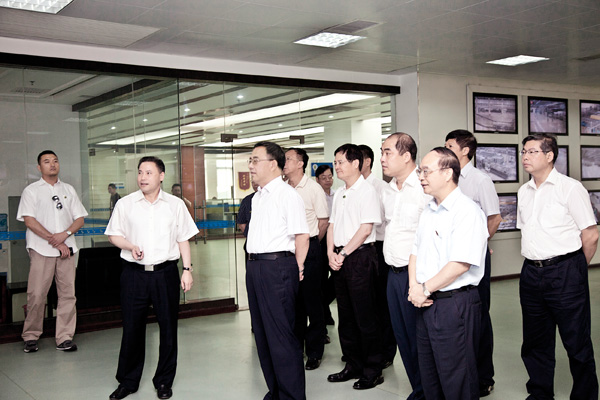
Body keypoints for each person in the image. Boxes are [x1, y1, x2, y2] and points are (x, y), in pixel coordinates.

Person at [105, 156, 199, 400]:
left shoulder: (175, 205)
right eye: (140, 172)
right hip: (134, 274)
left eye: (148, 172)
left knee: (168, 328)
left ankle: (164, 381)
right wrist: (130, 246)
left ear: (161, 176)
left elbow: (183, 238)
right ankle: (128, 381)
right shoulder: (125, 204)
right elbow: (113, 235)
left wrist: (187, 270)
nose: (142, 177)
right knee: (132, 328)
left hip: (165, 273)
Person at [518, 133, 599, 400]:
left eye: (532, 152)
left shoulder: (570, 188)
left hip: (565, 271)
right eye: (523, 152)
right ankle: (540, 394)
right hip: (531, 273)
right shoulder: (524, 191)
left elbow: (591, 234)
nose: (525, 157)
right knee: (535, 342)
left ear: (549, 155)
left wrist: (576, 269)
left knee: (576, 342)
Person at [408, 147, 488, 400]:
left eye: (426, 171)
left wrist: (424, 288)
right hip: (425, 302)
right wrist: (414, 287)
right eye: (420, 171)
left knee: (457, 380)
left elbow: (460, 264)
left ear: (447, 173)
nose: (421, 177)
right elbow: (415, 252)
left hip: (454, 304)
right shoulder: (429, 210)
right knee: (430, 377)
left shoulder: (467, 211)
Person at [246, 141, 310, 400]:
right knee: (263, 335)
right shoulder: (258, 197)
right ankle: (275, 392)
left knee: (281, 336)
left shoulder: (287, 195)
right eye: (250, 160)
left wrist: (297, 267)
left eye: (255, 160)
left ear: (273, 164)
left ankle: (292, 396)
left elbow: (302, 235)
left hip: (277, 268)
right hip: (255, 267)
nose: (251, 166)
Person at [444, 129, 501, 397]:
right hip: (450, 259)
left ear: (465, 151)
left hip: (475, 259)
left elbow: (494, 218)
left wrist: (477, 244)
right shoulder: (447, 179)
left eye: (450, 146)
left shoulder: (480, 180)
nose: (445, 150)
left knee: (479, 317)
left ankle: (484, 377)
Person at [17, 150, 87, 353]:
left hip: (67, 250)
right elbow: (29, 221)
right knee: (37, 294)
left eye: (55, 161)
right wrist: (54, 240)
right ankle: (31, 336)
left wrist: (65, 234)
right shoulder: (31, 191)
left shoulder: (68, 189)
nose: (52, 164)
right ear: (39, 167)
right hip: (41, 249)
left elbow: (79, 219)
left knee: (67, 295)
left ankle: (64, 337)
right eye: (47, 161)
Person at [326, 143, 384, 390]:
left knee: (365, 316)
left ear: (356, 163)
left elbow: (366, 229)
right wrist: (330, 253)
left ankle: (373, 370)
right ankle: (353, 364)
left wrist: (343, 253)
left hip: (360, 257)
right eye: (336, 162)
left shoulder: (367, 191)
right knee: (346, 316)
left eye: (340, 162)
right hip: (340, 258)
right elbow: (331, 225)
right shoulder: (340, 192)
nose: (336, 166)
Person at [380, 133, 430, 400]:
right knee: (403, 338)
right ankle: (418, 390)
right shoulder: (388, 190)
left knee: (420, 339)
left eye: (387, 152)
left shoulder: (424, 187)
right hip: (393, 274)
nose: (382, 158)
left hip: (418, 276)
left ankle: (429, 391)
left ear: (407, 156)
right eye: (382, 152)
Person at [284, 147, 329, 370]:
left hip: (310, 248)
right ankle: (296, 347)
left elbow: (323, 221)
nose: (284, 162)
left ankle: (314, 351)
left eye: (288, 159)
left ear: (300, 163)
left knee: (312, 302)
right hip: (287, 251)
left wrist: (311, 244)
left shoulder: (313, 189)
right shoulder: (283, 187)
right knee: (294, 303)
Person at [358, 144, 396, 368]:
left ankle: (387, 352)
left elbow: (382, 222)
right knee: (366, 303)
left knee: (382, 303)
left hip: (379, 248)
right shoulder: (350, 189)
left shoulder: (381, 188)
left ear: (366, 162)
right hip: (360, 250)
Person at [315, 164, 336, 326]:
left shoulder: (338, 195)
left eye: (330, 177)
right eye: (324, 178)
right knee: (321, 280)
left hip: (335, 241)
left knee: (336, 278)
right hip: (321, 241)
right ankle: (324, 314)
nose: (328, 180)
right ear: (317, 180)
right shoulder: (316, 195)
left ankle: (323, 305)